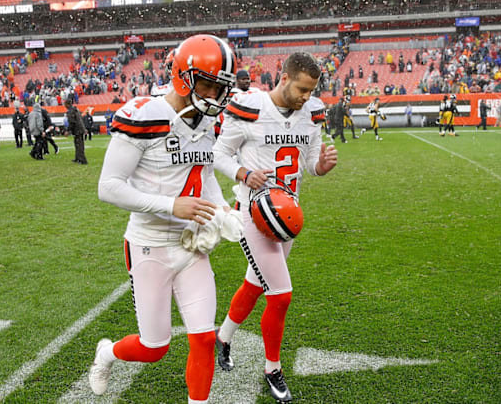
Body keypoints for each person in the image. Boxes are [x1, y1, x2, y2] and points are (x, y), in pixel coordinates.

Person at [91, 34, 239, 404]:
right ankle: (107, 353)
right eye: (208, 84)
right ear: (184, 77)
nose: (216, 96)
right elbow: (108, 187)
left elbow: (204, 176)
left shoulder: (204, 121)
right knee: (154, 347)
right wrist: (170, 205)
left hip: (192, 247)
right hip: (149, 245)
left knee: (204, 338)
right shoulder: (145, 114)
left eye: (221, 88)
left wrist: (222, 210)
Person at [213, 51, 338, 403]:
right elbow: (218, 153)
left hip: (287, 215)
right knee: (280, 294)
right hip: (254, 213)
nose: (305, 97)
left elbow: (309, 162)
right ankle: (272, 368)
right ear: (283, 78)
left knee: (255, 285)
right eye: (301, 89)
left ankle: (222, 338)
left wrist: (321, 167)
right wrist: (243, 173)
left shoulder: (310, 112)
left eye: (311, 90)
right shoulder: (250, 108)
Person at [66, 98, 87, 164]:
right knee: (78, 144)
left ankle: (82, 160)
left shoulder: (70, 111)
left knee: (79, 145)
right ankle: (78, 158)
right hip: (80, 129)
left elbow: (72, 122)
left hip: (77, 130)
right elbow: (80, 120)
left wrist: (68, 130)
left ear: (67, 104)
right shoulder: (75, 110)